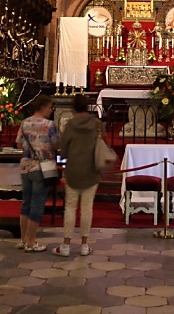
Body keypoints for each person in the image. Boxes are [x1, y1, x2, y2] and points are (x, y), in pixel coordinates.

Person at [52, 93, 102, 257]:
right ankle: (84, 245)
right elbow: (103, 144)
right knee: (87, 207)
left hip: (73, 170)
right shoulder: (96, 124)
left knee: (71, 207)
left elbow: (63, 150)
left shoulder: (70, 125)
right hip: (91, 170)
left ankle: (66, 245)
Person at [15, 94, 58, 252]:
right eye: (49, 107)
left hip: (25, 166)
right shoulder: (49, 124)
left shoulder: (25, 122)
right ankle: (32, 242)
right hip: (42, 167)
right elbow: (55, 144)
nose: (51, 110)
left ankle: (23, 239)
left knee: (26, 202)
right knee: (38, 204)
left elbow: (19, 142)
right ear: (43, 107)